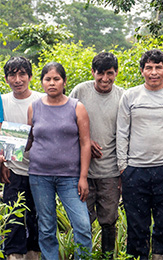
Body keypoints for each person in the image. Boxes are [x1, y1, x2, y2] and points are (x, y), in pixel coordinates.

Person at [117, 49, 163, 260]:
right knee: (137, 225)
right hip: (135, 171)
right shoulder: (130, 96)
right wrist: (123, 166)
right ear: (142, 71)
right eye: (149, 67)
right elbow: (122, 132)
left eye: (158, 67)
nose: (154, 72)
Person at [27, 62, 92, 260]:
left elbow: (85, 143)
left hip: (70, 178)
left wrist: (83, 177)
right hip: (39, 175)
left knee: (82, 225)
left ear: (64, 82)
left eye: (56, 79)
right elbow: (28, 139)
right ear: (42, 82)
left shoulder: (77, 107)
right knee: (46, 226)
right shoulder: (34, 107)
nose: (52, 83)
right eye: (47, 79)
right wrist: (8, 147)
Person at [69, 52, 125, 258]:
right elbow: (65, 122)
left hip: (110, 171)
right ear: (92, 72)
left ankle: (107, 256)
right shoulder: (80, 91)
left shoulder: (122, 96)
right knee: (83, 220)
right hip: (81, 170)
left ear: (116, 73)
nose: (105, 79)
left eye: (109, 73)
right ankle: (83, 256)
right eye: (100, 73)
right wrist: (85, 140)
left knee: (109, 219)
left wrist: (123, 171)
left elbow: (126, 133)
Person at [1, 57, 42, 260]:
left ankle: (35, 255)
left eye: (22, 74)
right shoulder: (2, 100)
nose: (17, 79)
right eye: (12, 75)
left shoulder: (42, 99)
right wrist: (2, 161)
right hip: (14, 169)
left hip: (41, 170)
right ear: (6, 78)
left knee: (38, 217)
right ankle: (13, 256)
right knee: (13, 218)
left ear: (30, 76)